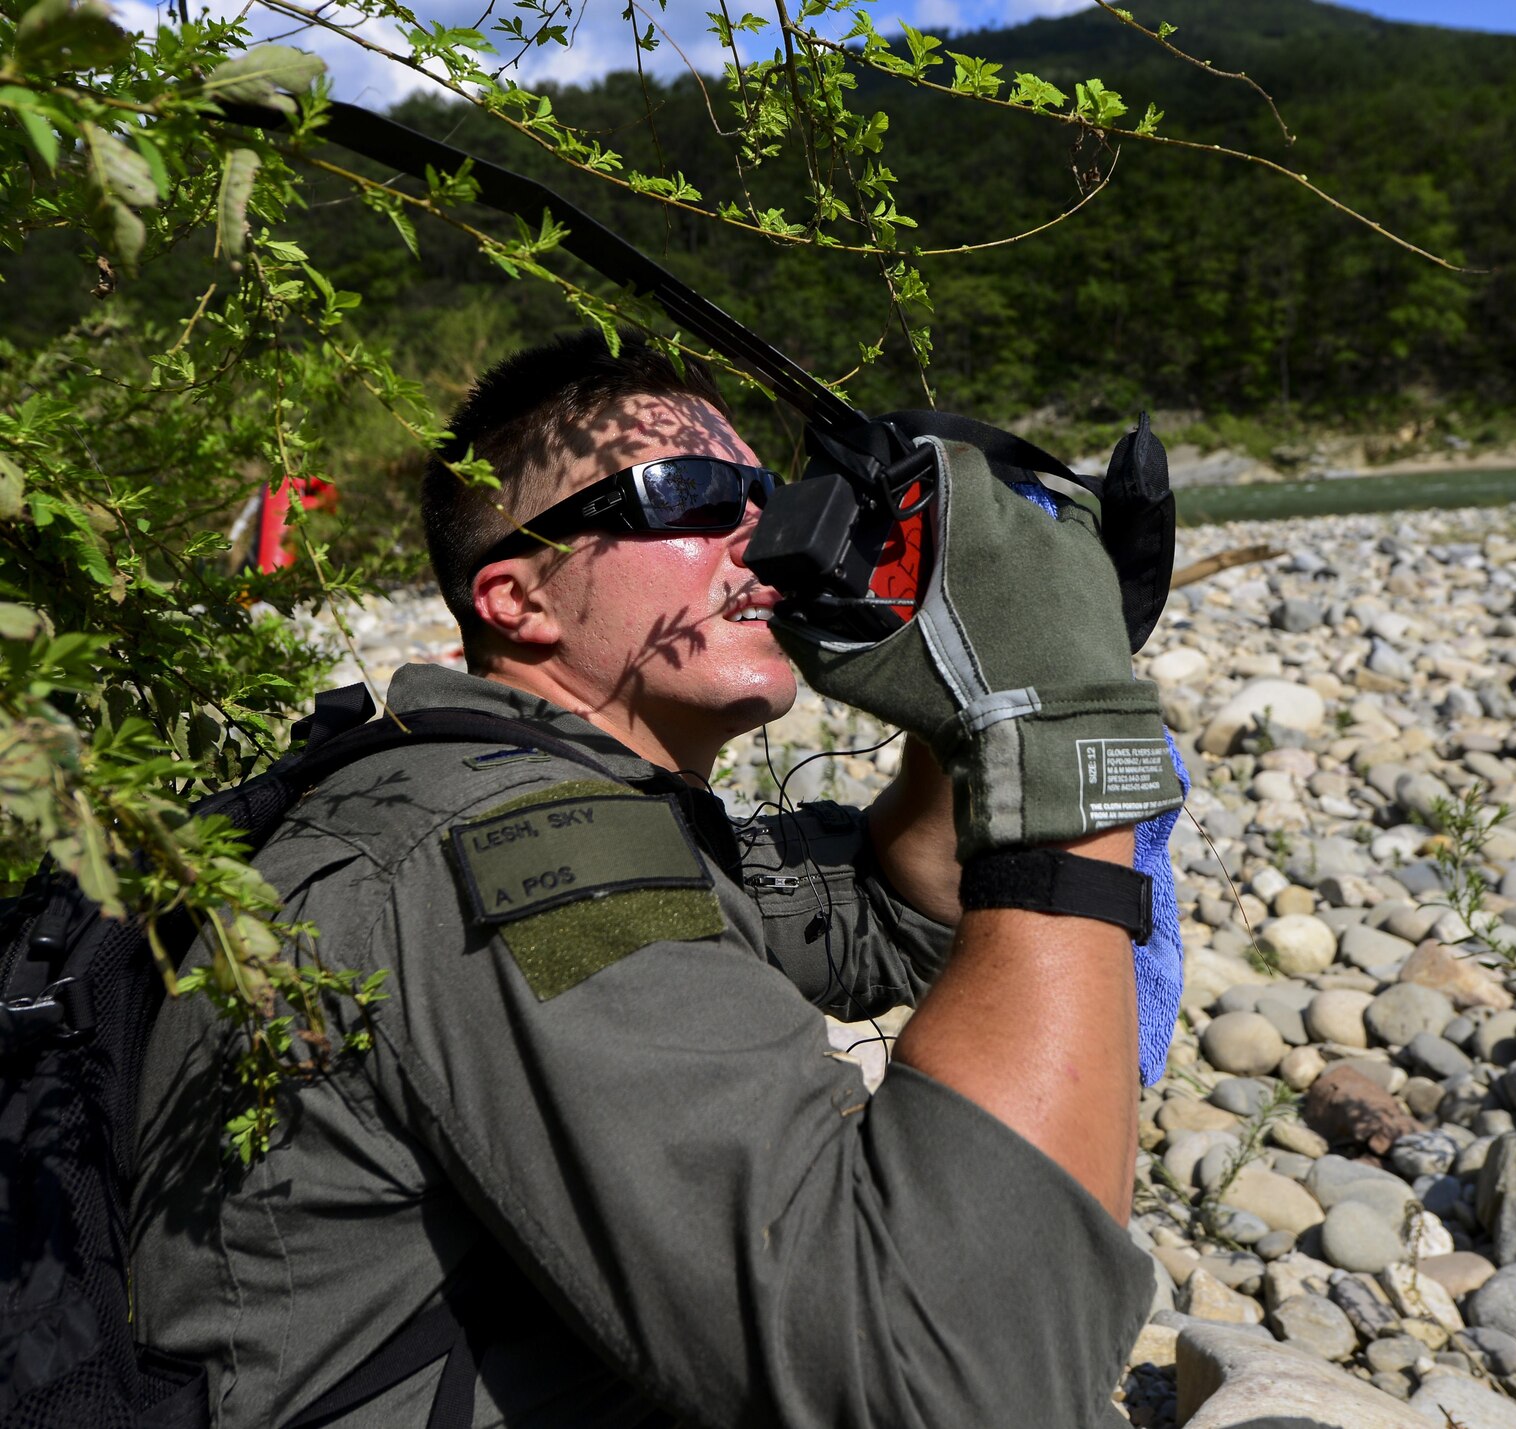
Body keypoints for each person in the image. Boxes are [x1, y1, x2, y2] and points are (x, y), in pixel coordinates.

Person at [130, 330, 1176, 1427]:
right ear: (516, 599)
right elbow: (952, 1376)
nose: (758, 532)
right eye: (685, 494)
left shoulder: (540, 794)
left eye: (762, 493)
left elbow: (893, 905)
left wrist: (967, 684)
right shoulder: (509, 845)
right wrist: (1058, 721)